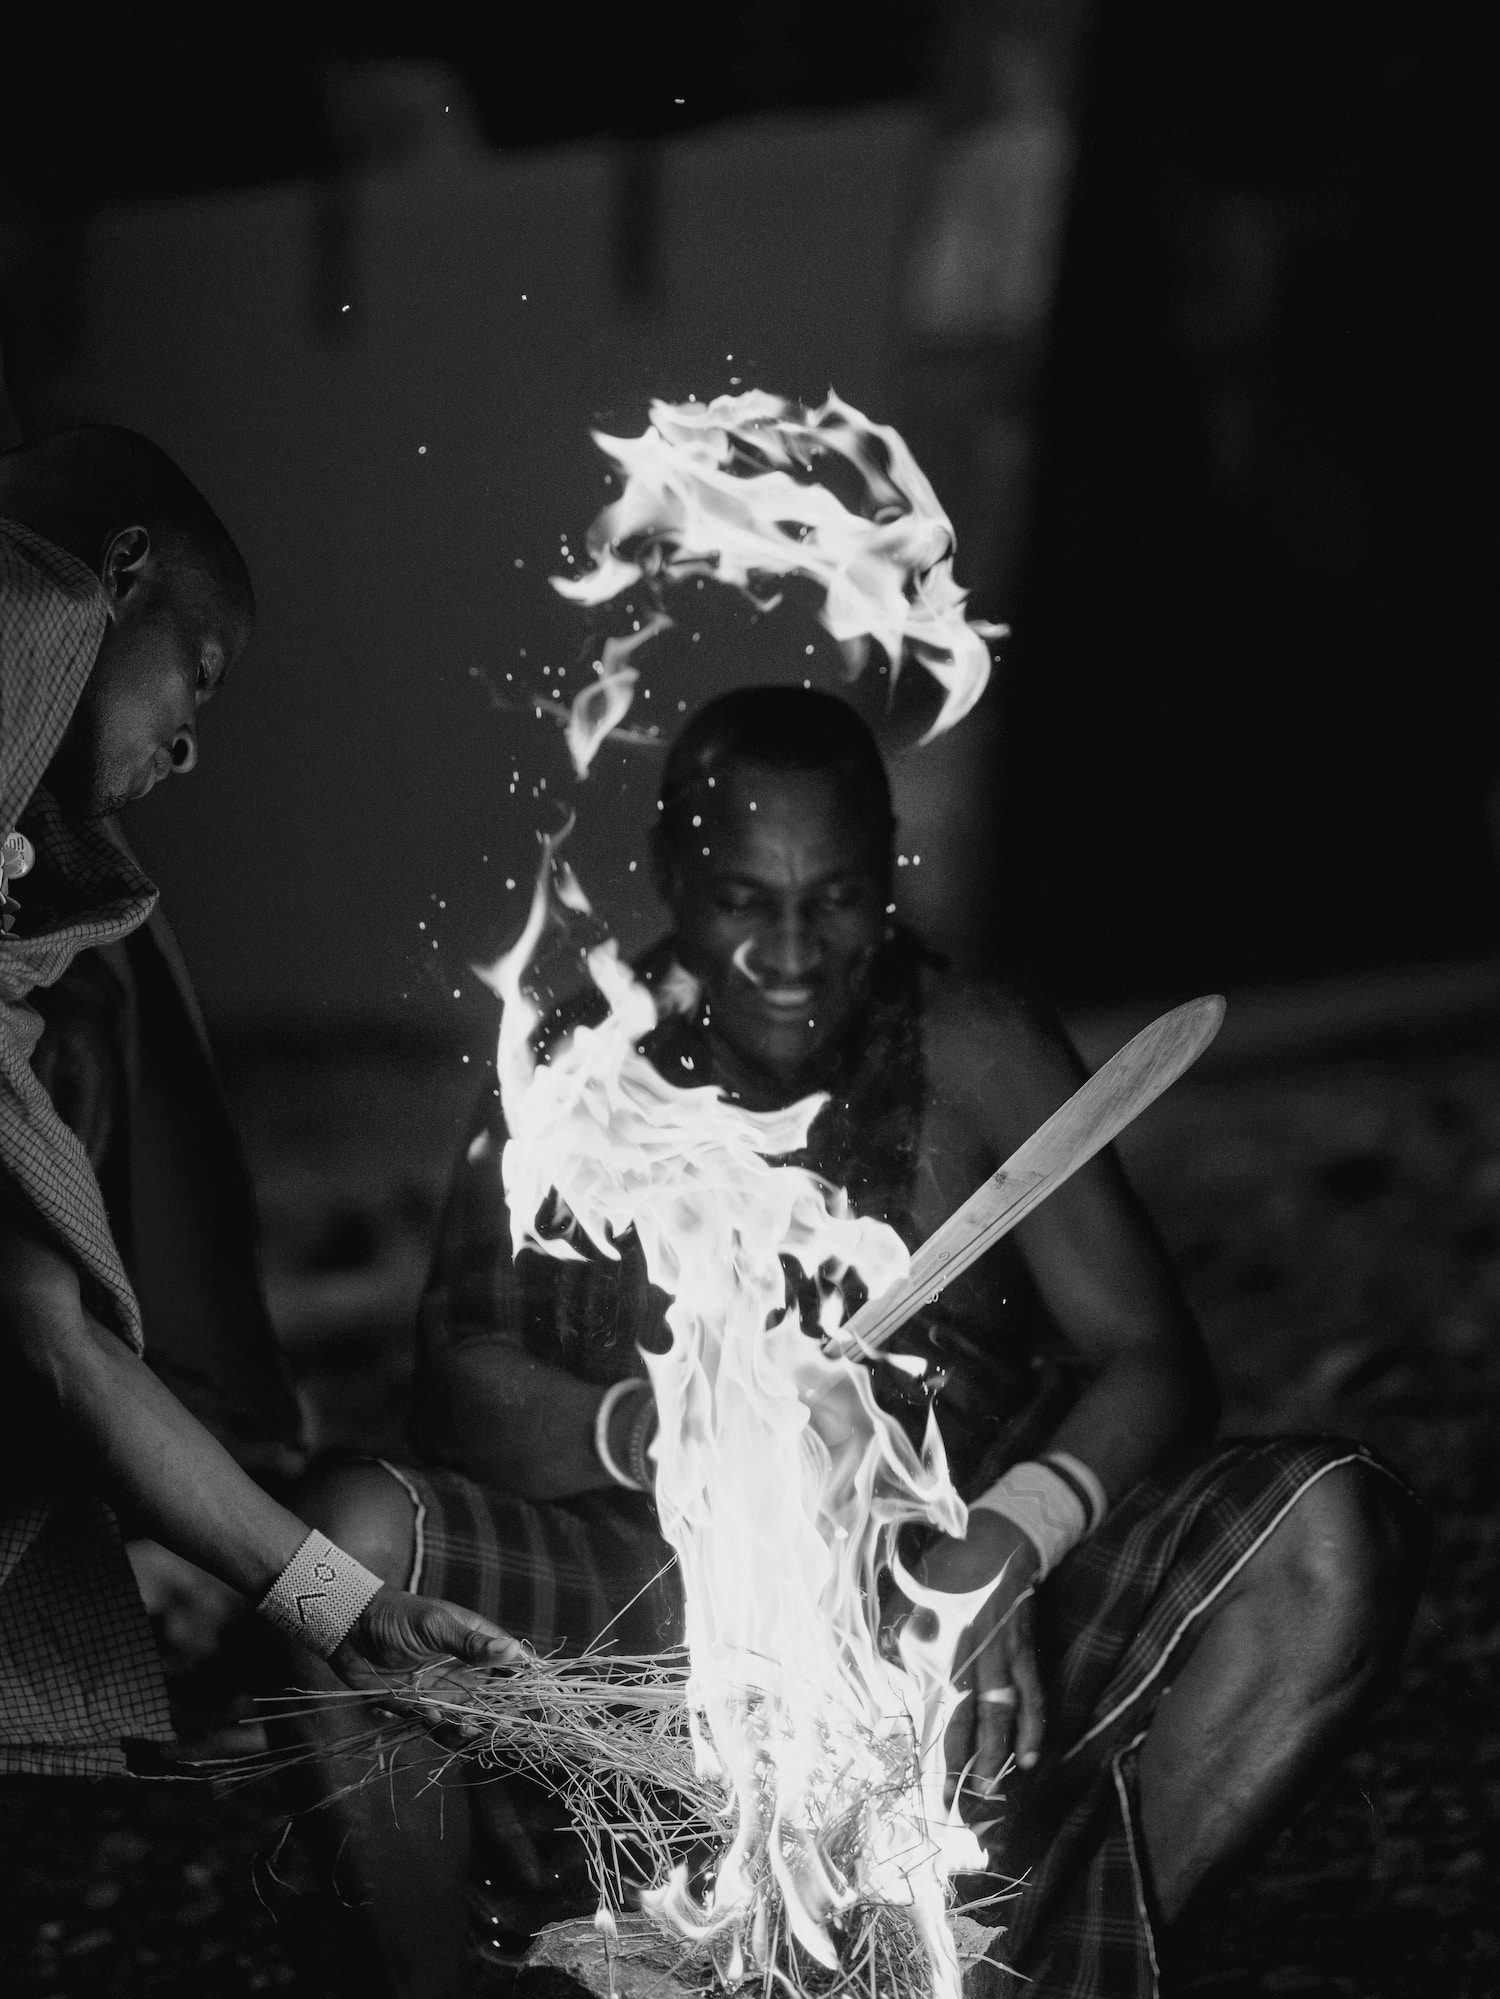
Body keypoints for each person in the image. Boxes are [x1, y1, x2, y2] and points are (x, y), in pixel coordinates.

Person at [293, 686, 1428, 1998]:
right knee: (334, 1555)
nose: (791, 948)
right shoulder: (578, 1067)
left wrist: (1009, 1536)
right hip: (660, 1630)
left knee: (1335, 1540)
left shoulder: (980, 1047)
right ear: (670, 874)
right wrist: (684, 1426)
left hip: (958, 1644)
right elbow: (459, 1390)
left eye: (834, 897)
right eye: (742, 897)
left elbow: (1153, 1358)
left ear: (885, 879)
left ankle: (1020, 1981)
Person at [0, 426, 524, 1795]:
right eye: (202, 675)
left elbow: (62, 1350)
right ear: (123, 572)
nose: (188, 746)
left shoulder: (26, 930)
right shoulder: (35, 610)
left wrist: (346, 1610)